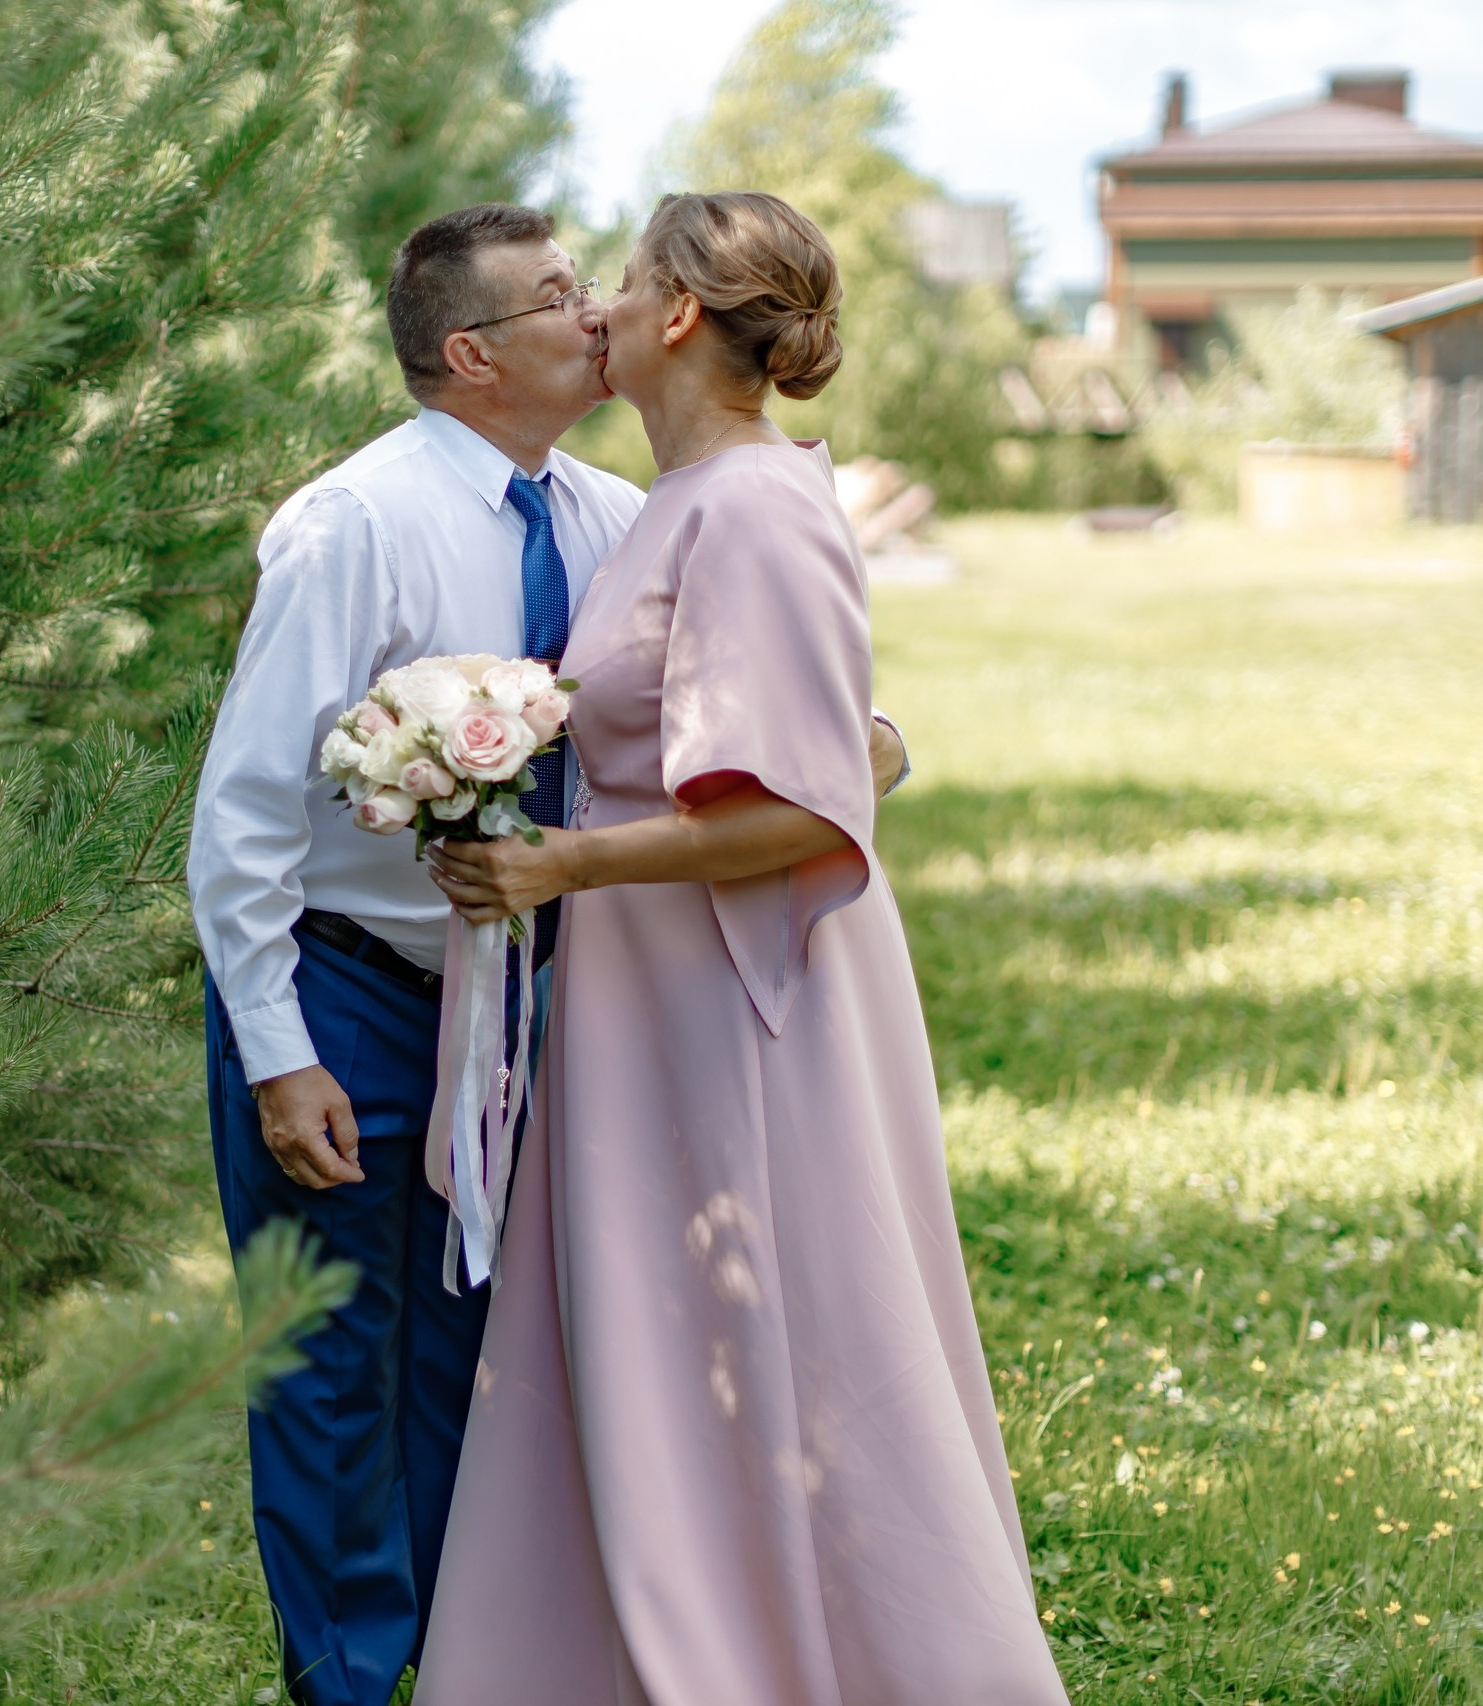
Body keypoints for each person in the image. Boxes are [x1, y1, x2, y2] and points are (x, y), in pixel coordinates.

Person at [187, 202, 912, 1706]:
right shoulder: (355, 523)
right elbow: (246, 809)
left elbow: (738, 687)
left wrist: (873, 743)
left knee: (486, 1365)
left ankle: (477, 1663)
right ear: (472, 352)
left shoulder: (613, 512)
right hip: (346, 984)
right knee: (332, 1370)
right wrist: (277, 1048)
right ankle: (348, 1681)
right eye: (560, 293)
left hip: (531, 1003)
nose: (595, 312)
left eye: (600, 284)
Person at [416, 192, 1069, 1704]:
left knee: (781, 1320)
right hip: (651, 982)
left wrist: (564, 863)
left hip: (736, 988)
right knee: (654, 1327)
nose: (595, 308)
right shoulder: (679, 501)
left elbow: (795, 807)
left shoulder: (755, 505)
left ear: (679, 315)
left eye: (620, 280)